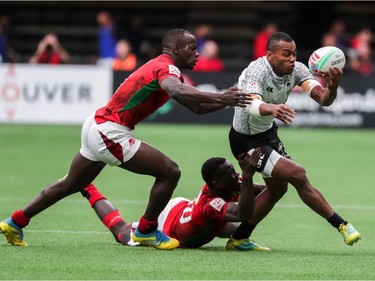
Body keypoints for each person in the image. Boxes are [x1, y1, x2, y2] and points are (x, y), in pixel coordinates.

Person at [0, 28, 252, 250]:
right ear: (176, 49)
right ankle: (146, 230)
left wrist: (226, 102)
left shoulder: (166, 69)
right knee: (170, 172)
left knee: (68, 185)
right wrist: (221, 97)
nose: (197, 53)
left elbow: (195, 107)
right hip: (110, 131)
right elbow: (176, 90)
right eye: (192, 48)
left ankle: (15, 222)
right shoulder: (167, 68)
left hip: (96, 125)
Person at [228, 32, 361, 248]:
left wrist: (332, 87)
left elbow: (322, 98)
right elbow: (251, 105)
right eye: (286, 54)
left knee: (278, 189)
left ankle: (240, 237)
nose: (292, 58)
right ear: (270, 55)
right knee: (297, 174)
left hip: (268, 135)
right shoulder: (257, 70)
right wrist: (271, 108)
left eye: (294, 53)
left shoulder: (298, 70)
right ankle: (342, 225)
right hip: (246, 140)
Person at [81, 148, 270, 250]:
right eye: (231, 173)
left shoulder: (228, 182)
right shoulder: (210, 205)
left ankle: (238, 240)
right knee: (121, 232)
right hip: (169, 223)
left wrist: (277, 174)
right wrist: (247, 176)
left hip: (187, 210)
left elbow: (263, 192)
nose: (236, 174)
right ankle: (85, 186)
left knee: (232, 228)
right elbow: (243, 213)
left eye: (234, 171)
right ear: (217, 184)